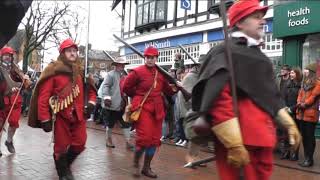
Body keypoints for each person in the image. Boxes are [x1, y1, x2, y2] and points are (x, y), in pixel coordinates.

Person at [192, 1, 301, 179]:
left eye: (263, 18)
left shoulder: (259, 56)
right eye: (256, 17)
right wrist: (234, 144)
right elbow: (220, 101)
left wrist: (289, 124)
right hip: (241, 141)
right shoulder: (224, 52)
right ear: (240, 22)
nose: (263, 22)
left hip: (263, 140)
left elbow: (269, 96)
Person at [28, 39, 96, 180]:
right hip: (60, 116)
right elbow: (43, 97)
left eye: (74, 51)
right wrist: (45, 118)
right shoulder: (53, 69)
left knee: (80, 143)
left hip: (79, 115)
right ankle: (63, 174)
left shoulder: (81, 71)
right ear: (62, 53)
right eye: (69, 51)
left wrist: (91, 103)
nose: (72, 53)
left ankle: (64, 166)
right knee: (61, 146)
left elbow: (92, 91)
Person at [123, 46, 178, 178]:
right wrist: (137, 98)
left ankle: (146, 167)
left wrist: (177, 87)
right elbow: (126, 88)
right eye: (148, 57)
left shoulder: (161, 73)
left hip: (157, 110)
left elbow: (167, 90)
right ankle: (136, 165)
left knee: (154, 140)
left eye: (152, 57)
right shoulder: (136, 72)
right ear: (145, 58)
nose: (150, 60)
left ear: (156, 58)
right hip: (143, 109)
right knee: (144, 138)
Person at [98, 57, 134, 150]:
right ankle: (108, 140)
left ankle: (128, 142)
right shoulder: (110, 75)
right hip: (112, 104)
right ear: (116, 65)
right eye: (120, 64)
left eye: (123, 65)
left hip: (122, 104)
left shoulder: (125, 76)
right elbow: (106, 86)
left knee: (125, 123)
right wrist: (106, 97)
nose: (122, 66)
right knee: (110, 124)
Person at [0, 46, 30, 156]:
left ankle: (9, 141)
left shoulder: (16, 69)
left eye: (9, 56)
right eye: (5, 55)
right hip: (2, 101)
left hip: (15, 100)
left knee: (14, 122)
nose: (7, 58)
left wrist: (26, 79)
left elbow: (25, 84)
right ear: (2, 57)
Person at [296, 63, 320, 167]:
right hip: (301, 114)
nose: (304, 71)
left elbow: (313, 97)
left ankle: (309, 159)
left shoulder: (318, 83)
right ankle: (306, 157)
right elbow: (300, 94)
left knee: (310, 137)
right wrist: (299, 102)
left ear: (311, 72)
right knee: (304, 137)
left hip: (310, 114)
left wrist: (304, 104)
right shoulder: (304, 83)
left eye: (306, 70)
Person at [282, 67, 302, 161]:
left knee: (294, 133)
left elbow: (300, 101)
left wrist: (291, 109)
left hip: (295, 112)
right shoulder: (287, 84)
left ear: (297, 74)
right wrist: (285, 107)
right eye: (291, 73)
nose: (291, 75)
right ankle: (286, 152)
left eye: (293, 73)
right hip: (287, 111)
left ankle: (295, 154)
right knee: (286, 134)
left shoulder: (300, 86)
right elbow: (284, 97)